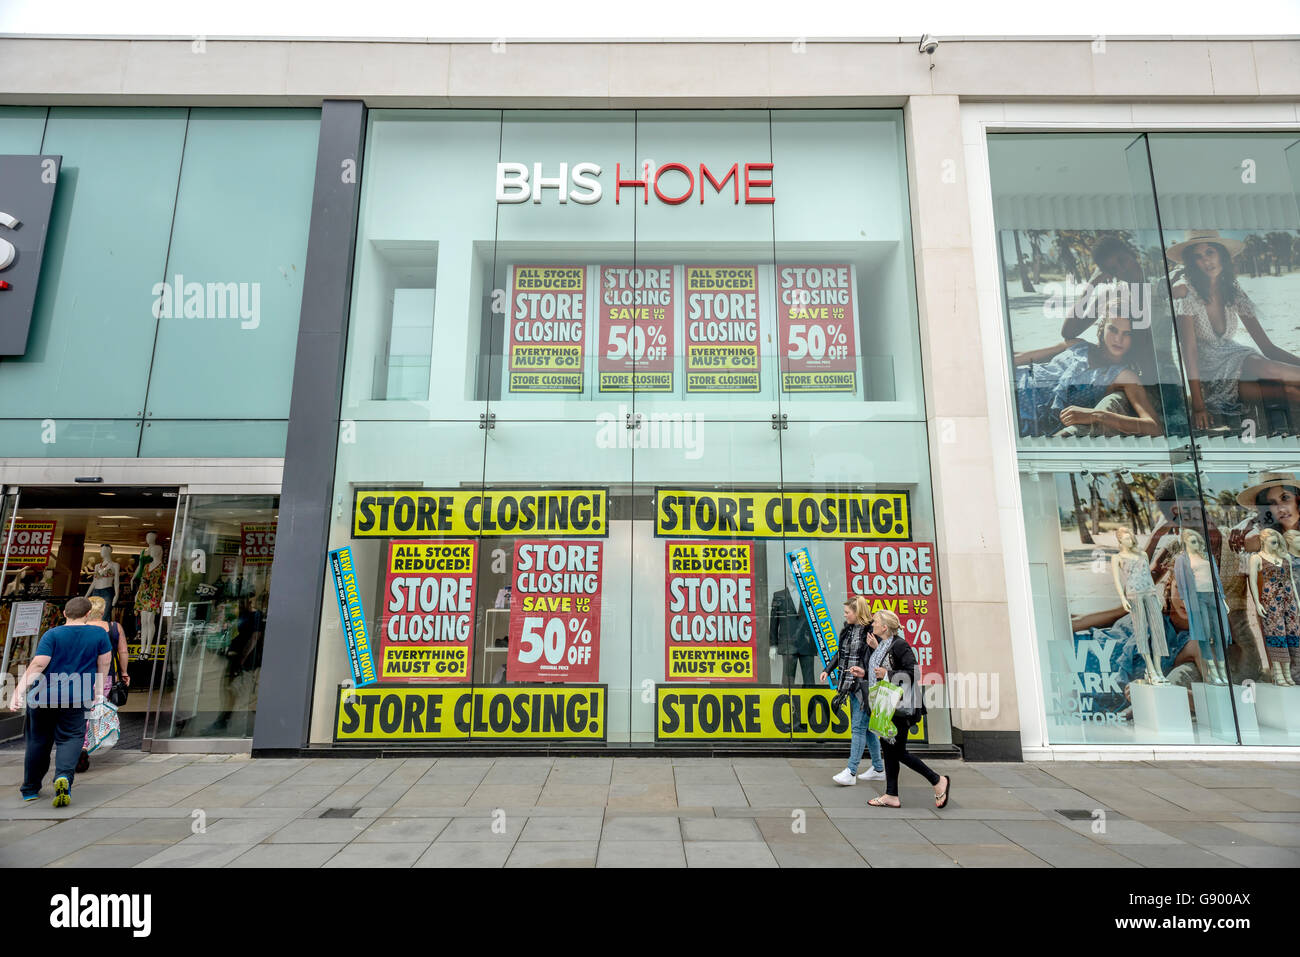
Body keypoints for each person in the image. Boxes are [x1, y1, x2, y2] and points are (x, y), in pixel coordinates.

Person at [1169, 230, 1300, 431]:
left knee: (1289, 389)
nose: (1206, 260)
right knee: (1271, 375)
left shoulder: (1233, 290)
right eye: (1198, 256)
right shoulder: (1188, 293)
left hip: (1237, 358)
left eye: (1210, 252)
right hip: (1210, 374)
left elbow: (1267, 347)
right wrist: (1198, 406)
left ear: (1222, 254)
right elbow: (1190, 353)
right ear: (1192, 262)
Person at [8, 596, 111, 808]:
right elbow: (105, 662)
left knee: (38, 741)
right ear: (87, 614)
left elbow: (38, 664)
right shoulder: (99, 634)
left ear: (65, 613)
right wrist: (99, 693)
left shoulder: (52, 634)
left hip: (42, 697)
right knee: (71, 737)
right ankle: (63, 777)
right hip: (77, 696)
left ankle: (30, 789)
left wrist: (17, 691)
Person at [1014, 308, 1162, 437]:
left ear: (1134, 338)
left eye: (1127, 334)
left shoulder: (1124, 376)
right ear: (1102, 327)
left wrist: (1097, 415)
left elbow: (1153, 427)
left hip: (1023, 418)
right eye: (1113, 330)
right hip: (1012, 382)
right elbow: (1022, 358)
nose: (1118, 339)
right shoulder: (1078, 345)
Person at [864, 610, 950, 810]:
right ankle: (891, 795)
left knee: (898, 752)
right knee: (889, 749)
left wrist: (888, 673)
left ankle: (937, 781)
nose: (872, 624)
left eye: (875, 622)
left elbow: (913, 672)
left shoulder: (899, 644)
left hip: (900, 707)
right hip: (886, 707)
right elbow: (878, 669)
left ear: (885, 627)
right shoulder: (883, 645)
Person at [820, 596, 884, 786]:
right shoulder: (848, 631)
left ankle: (851, 771)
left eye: (848, 612)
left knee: (858, 728)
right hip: (850, 685)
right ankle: (879, 768)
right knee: (867, 729)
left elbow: (881, 658)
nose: (845, 615)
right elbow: (840, 654)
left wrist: (875, 648)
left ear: (857, 613)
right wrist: (827, 669)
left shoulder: (872, 633)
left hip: (865, 686)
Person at [76, 595, 129, 773]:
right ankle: (93, 741)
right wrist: (124, 672)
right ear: (103, 610)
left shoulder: (79, 628)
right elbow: (123, 651)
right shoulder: (114, 627)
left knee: (81, 711)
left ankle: (81, 746)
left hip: (82, 676)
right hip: (106, 677)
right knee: (98, 710)